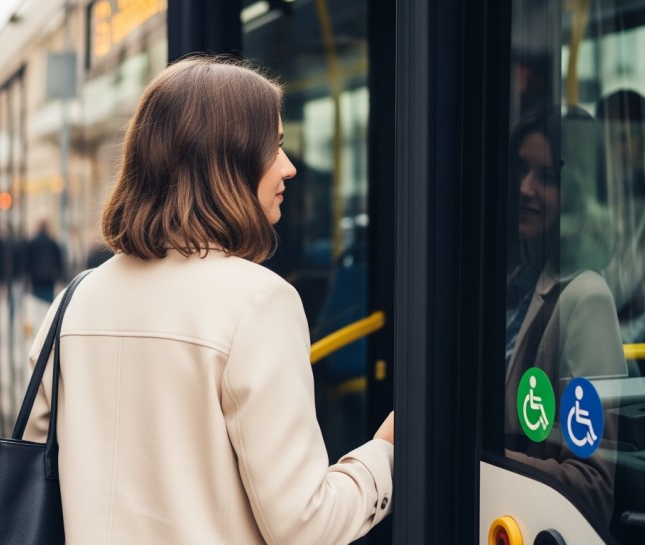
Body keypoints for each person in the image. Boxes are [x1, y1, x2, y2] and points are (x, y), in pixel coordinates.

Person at [22, 56, 395, 544]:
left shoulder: (74, 301)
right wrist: (385, 454)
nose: (289, 167)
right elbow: (305, 526)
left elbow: (41, 463)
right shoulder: (259, 303)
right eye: (275, 147)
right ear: (226, 160)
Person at [503, 106, 628, 526]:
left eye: (547, 177)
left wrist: (485, 459)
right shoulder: (520, 282)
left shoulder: (586, 298)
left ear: (576, 190)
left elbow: (591, 483)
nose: (525, 188)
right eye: (521, 170)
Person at [595, 90, 645, 343]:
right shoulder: (582, 192)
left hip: (623, 339)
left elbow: (616, 291)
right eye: (606, 135)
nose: (612, 145)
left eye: (624, 137)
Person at [24, 219, 65, 302]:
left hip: (36, 280)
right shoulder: (53, 244)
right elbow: (59, 262)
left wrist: (27, 279)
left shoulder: (33, 243)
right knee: (48, 306)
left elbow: (28, 262)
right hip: (49, 281)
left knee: (37, 304)